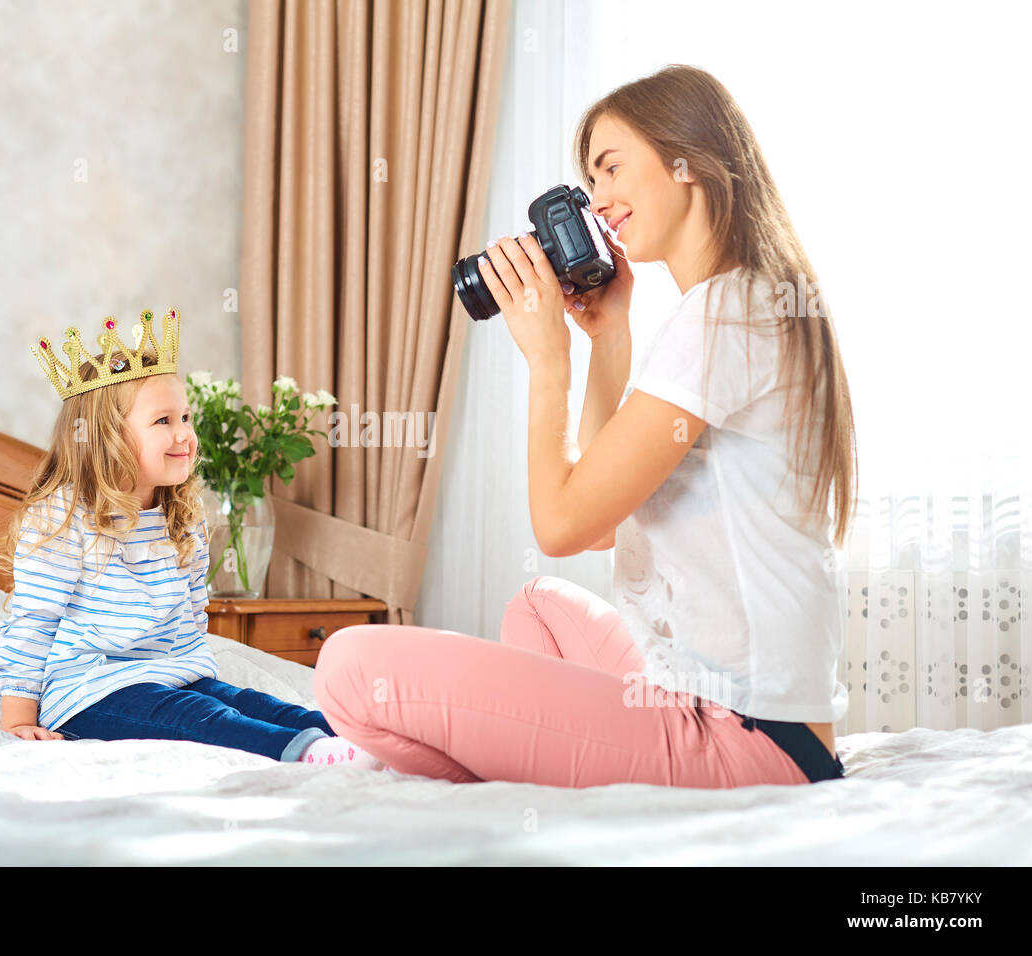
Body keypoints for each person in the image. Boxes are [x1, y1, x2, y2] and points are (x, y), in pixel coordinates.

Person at [312, 64, 856, 788]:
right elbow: (603, 523)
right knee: (536, 607)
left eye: (610, 169)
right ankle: (540, 768)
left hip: (746, 736)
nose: (599, 203)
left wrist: (547, 361)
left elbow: (562, 527)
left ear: (688, 160)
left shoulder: (725, 315)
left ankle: (501, 782)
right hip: (769, 725)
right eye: (590, 184)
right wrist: (608, 338)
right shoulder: (740, 303)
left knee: (351, 666)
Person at [0, 309, 384, 769]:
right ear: (106, 437)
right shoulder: (63, 515)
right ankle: (314, 755)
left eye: (186, 416)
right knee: (198, 718)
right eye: (163, 421)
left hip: (175, 675)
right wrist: (17, 717)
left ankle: (371, 738)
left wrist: (195, 673)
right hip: (91, 691)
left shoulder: (182, 514)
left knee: (250, 703)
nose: (185, 434)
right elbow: (34, 619)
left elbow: (193, 615)